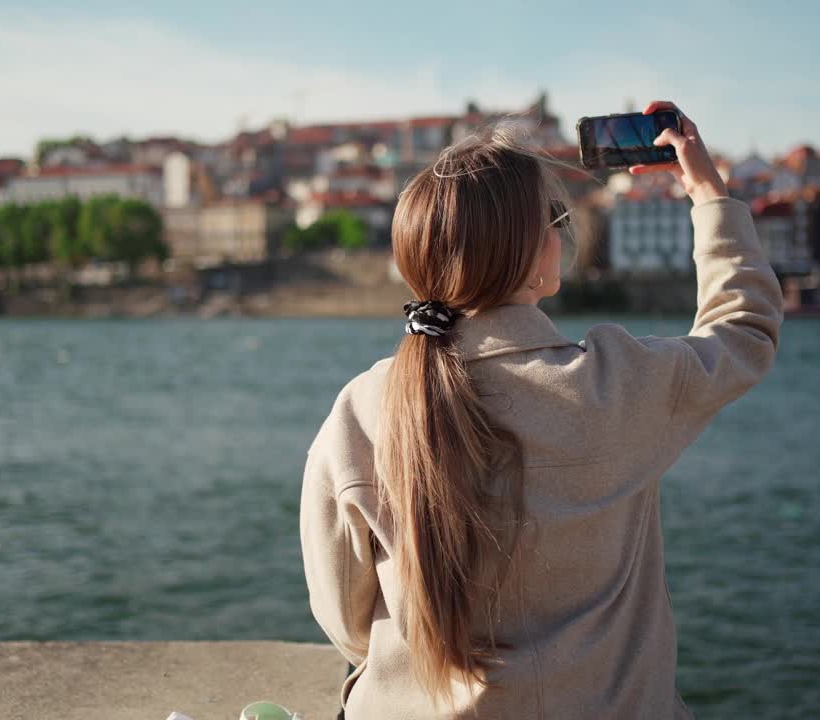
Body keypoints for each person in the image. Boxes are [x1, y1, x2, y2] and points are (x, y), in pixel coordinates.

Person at [300, 101, 784, 719]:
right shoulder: (618, 383)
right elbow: (743, 332)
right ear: (533, 255)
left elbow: (344, 614)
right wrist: (707, 193)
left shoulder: (362, 407)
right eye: (555, 221)